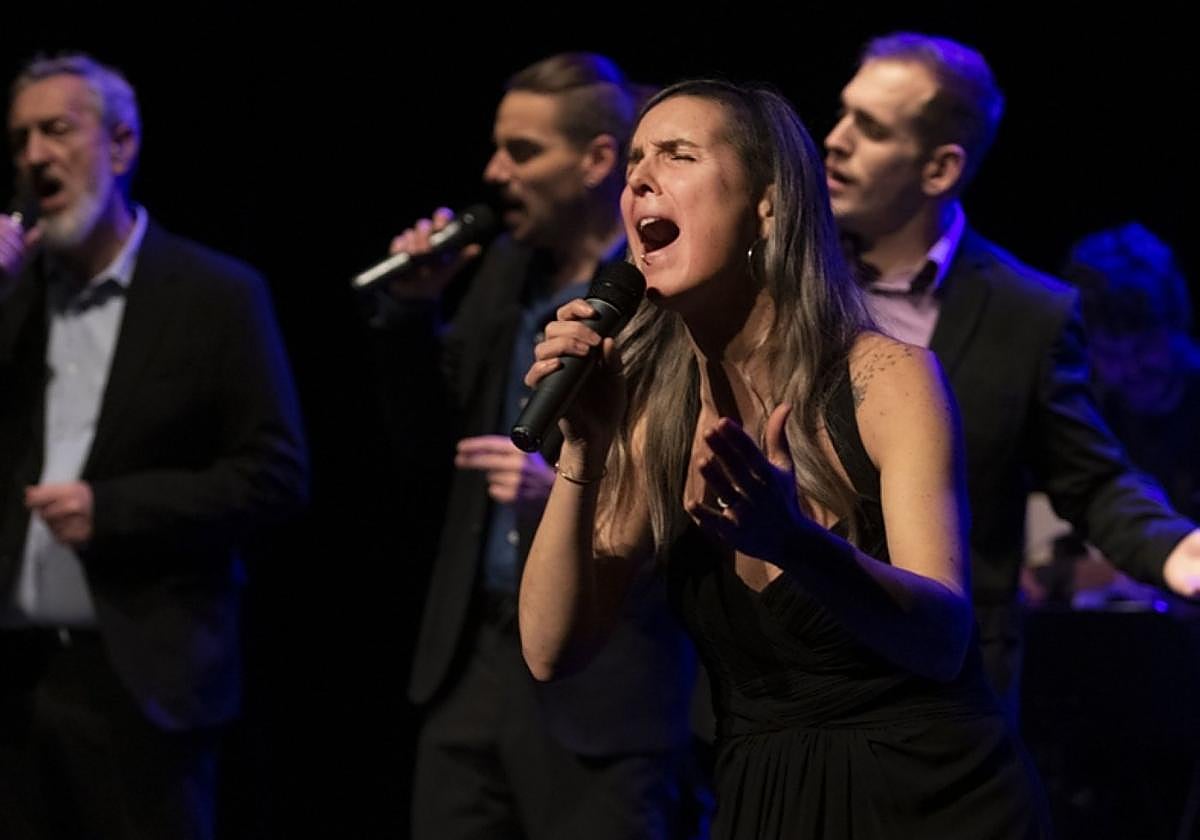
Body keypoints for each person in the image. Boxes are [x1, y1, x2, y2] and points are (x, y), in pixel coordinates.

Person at [519, 79, 1049, 839]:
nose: (639, 180)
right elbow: (550, 649)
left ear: (768, 204)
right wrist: (584, 448)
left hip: (932, 798)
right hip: (766, 799)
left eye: (678, 155)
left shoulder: (886, 380)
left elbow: (942, 640)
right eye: (634, 161)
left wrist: (794, 542)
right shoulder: (650, 414)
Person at [368, 53, 697, 840]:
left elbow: (693, 467)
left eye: (522, 151)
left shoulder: (665, 291)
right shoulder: (506, 274)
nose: (494, 172)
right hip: (478, 658)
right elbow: (429, 446)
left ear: (596, 160)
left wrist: (573, 495)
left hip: (607, 669)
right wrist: (412, 313)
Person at [823, 32, 1200, 708]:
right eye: (844, 113)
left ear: (940, 169)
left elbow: (1091, 480)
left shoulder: (1028, 314)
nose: (834, 140)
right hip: (786, 684)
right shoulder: (785, 275)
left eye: (871, 128)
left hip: (946, 694)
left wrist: (1175, 548)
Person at [0, 54, 308, 839]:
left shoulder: (214, 294)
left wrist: (114, 510)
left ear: (121, 144)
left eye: (57, 130)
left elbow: (275, 473)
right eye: (20, 139)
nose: (34, 155)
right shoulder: (11, 296)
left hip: (143, 682)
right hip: (14, 684)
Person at [1064, 221, 1200, 521]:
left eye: (1144, 346)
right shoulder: (1086, 418)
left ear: (1178, 324)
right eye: (1110, 353)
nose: (1132, 368)